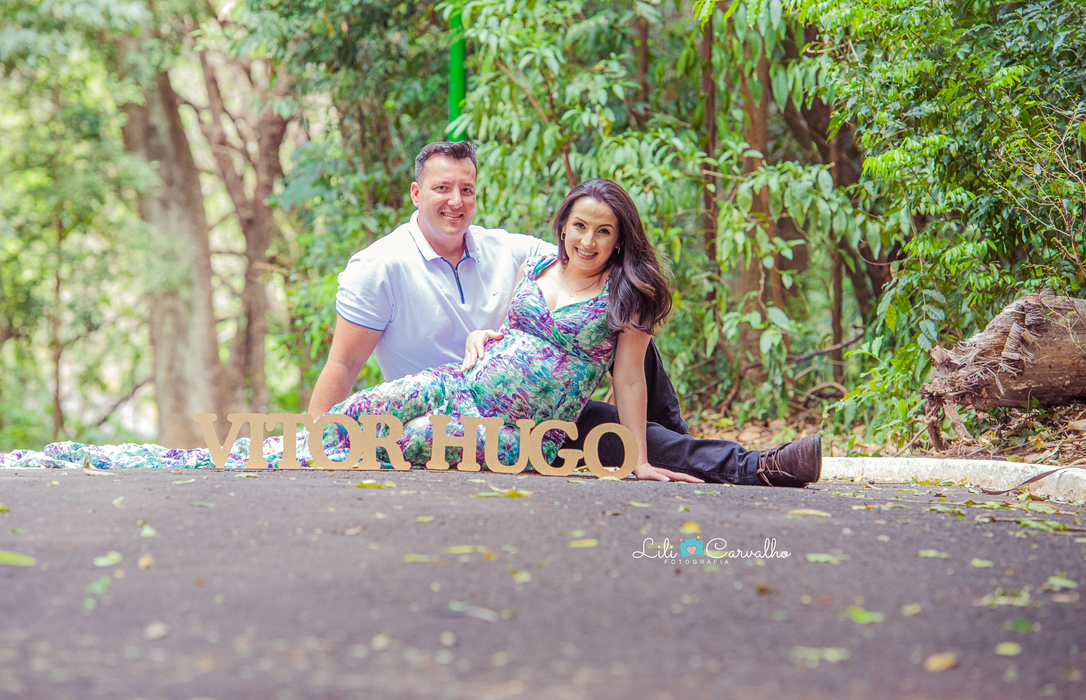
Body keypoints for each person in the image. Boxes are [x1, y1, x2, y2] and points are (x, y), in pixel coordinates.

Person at [310, 142, 820, 487]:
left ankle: (760, 466)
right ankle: (280, 451)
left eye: (466, 189)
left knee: (636, 395)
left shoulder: (513, 250)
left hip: (543, 417)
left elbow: (624, 366)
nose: (455, 201)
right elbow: (342, 366)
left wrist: (638, 452)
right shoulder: (378, 266)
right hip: (456, 389)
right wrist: (493, 335)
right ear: (417, 194)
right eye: (442, 189)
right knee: (360, 417)